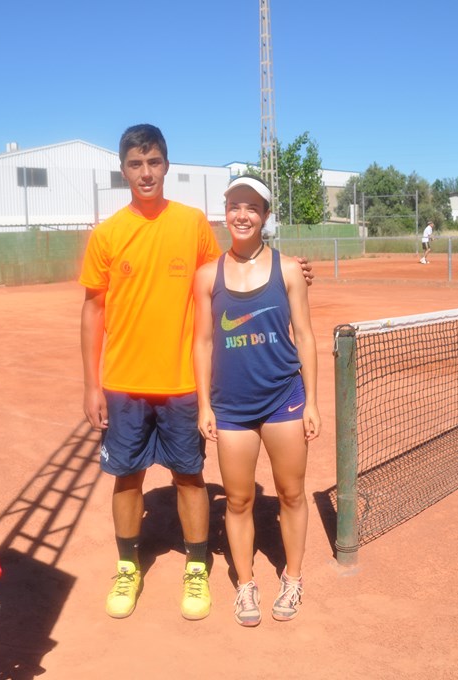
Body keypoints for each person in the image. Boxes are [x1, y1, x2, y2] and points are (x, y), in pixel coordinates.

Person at [80, 124, 222, 621]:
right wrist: (91, 385)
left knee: (190, 476)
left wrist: (288, 269)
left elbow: (222, 282)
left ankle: (197, 566)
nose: (146, 172)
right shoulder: (107, 234)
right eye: (136, 164)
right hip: (123, 385)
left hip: (183, 383)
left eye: (154, 162)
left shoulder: (192, 223)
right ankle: (127, 566)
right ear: (123, 170)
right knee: (126, 479)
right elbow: (93, 310)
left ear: (166, 166)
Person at [192, 175, 320, 627]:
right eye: (234, 206)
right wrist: (204, 405)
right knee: (239, 500)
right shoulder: (207, 276)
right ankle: (245, 584)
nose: (242, 215)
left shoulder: (289, 270)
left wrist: (312, 402)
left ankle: (293, 577)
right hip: (231, 408)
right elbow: (202, 342)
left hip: (284, 398)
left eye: (252, 207)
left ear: (265, 216)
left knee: (291, 493)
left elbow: (305, 335)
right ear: (225, 212)